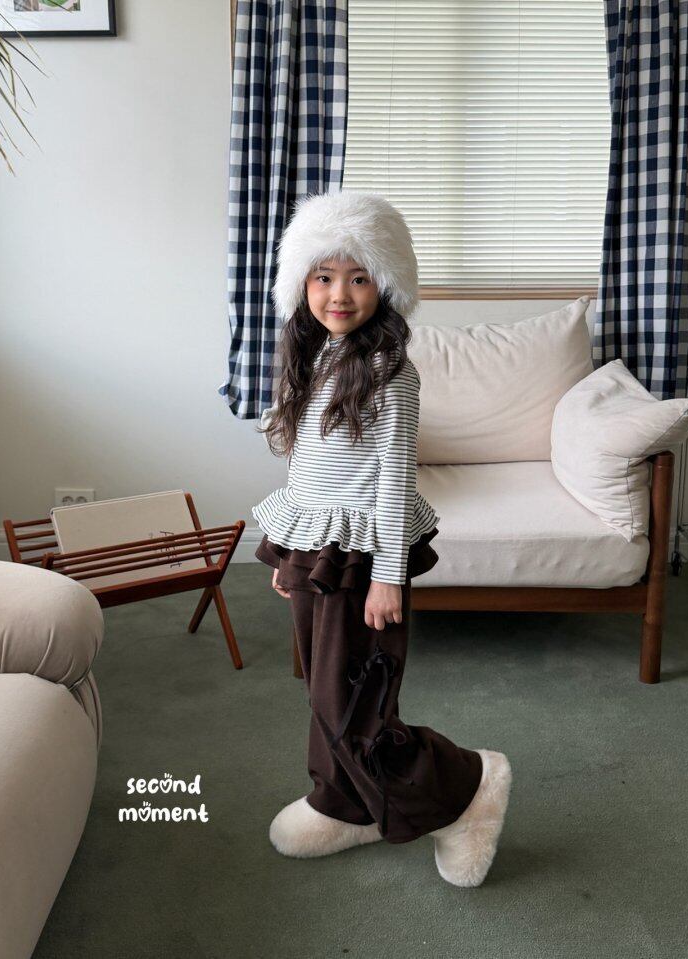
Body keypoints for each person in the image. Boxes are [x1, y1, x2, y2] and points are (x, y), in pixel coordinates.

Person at [252, 190, 511, 887]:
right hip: (316, 547)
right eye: (324, 276)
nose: (339, 294)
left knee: (356, 702)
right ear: (301, 283)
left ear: (386, 286)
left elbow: (394, 479)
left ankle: (466, 786)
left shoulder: (390, 373)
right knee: (322, 690)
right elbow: (307, 466)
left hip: (365, 556)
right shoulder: (315, 357)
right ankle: (341, 803)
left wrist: (389, 575)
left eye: (359, 277)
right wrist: (288, 554)